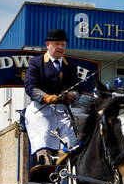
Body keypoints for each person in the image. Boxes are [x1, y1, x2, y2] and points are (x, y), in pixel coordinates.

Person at [23, 27, 83, 171]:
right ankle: (43, 173)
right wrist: (46, 97)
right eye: (57, 44)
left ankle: (70, 173)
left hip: (62, 111)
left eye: (62, 44)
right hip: (41, 110)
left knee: (72, 143)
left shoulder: (70, 66)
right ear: (48, 44)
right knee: (44, 139)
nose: (60, 47)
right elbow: (30, 87)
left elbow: (78, 89)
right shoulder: (36, 63)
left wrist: (71, 96)